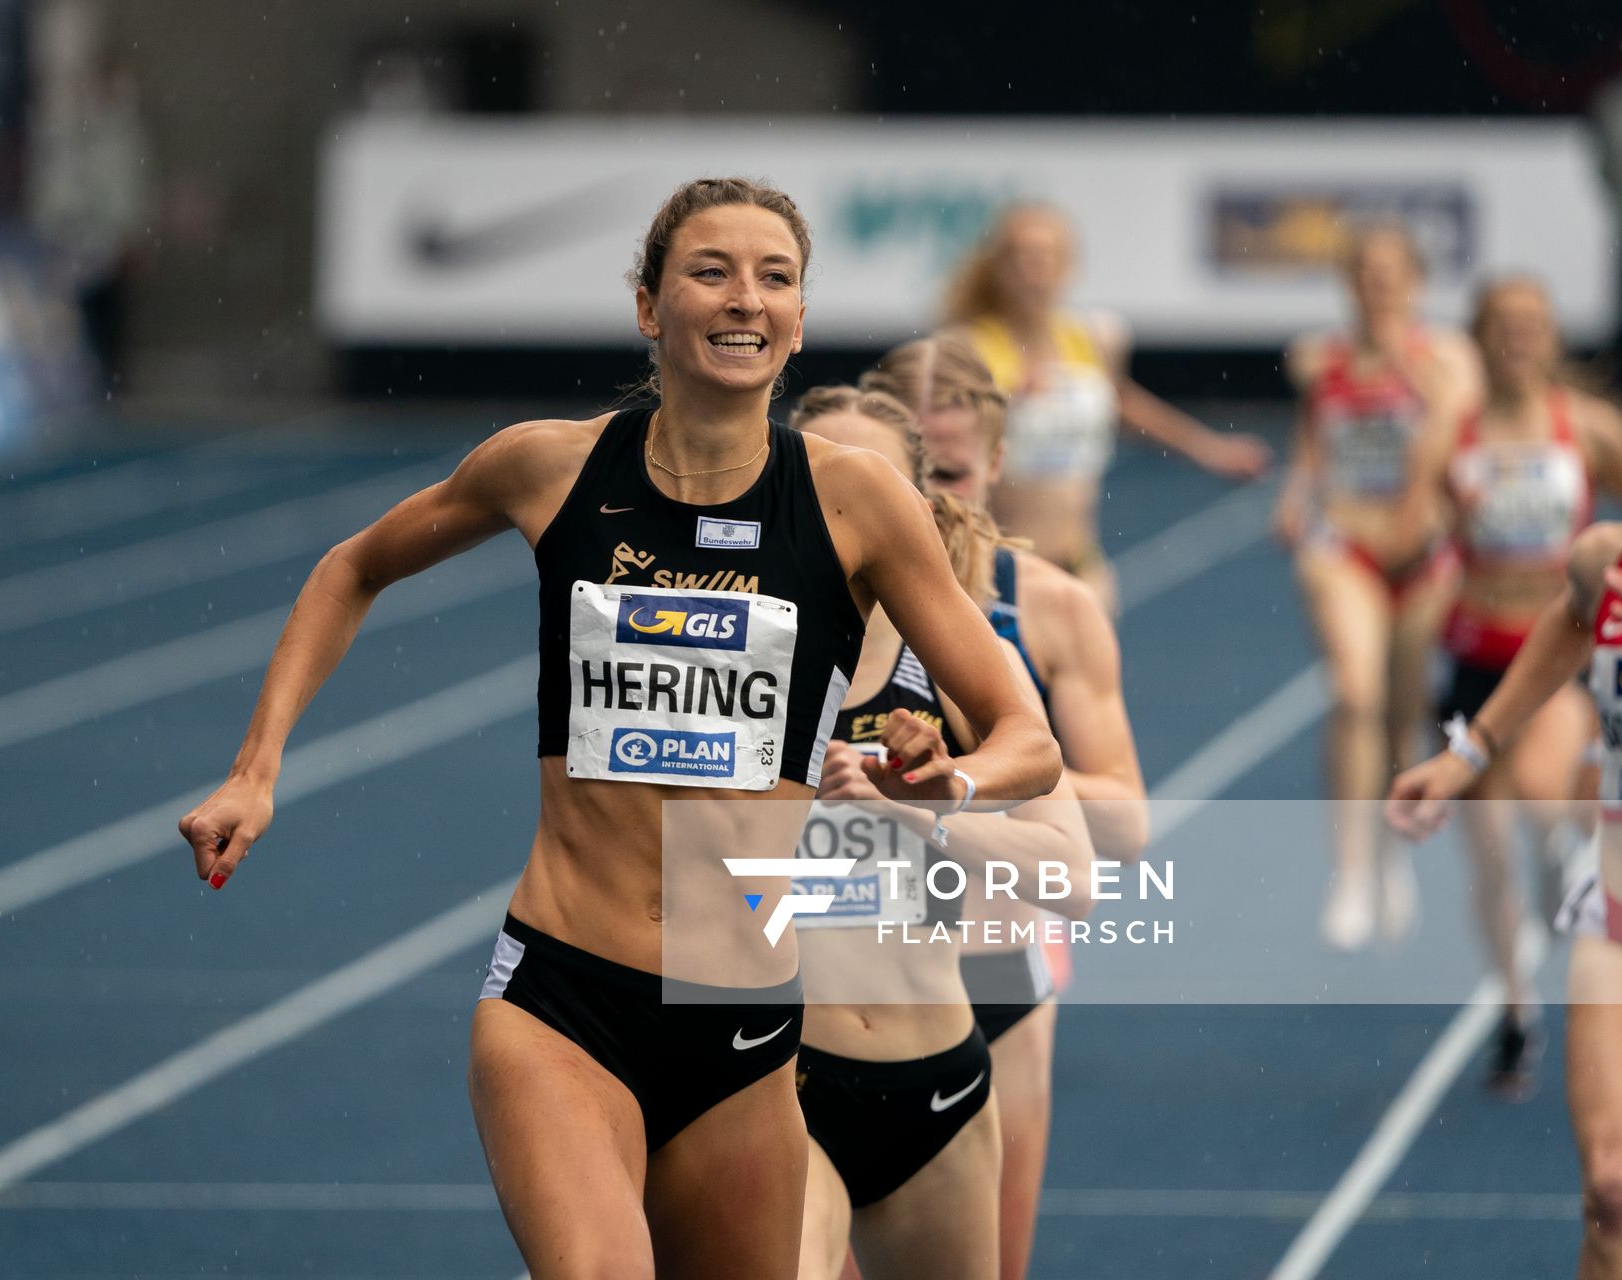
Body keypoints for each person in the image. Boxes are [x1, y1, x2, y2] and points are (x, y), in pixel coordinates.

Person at [176, 177, 1061, 1279]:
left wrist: (950, 784)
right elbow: (354, 565)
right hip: (563, 993)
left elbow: (1028, 735)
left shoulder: (855, 502)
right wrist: (255, 770)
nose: (746, 297)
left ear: (799, 317)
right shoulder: (551, 467)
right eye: (711, 270)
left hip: (740, 1021)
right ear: (649, 306)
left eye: (775, 277)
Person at [789, 386, 1094, 1280]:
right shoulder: (734, 658)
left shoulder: (968, 665)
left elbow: (1072, 874)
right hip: (773, 1083)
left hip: (939, 1089)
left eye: (869, 479)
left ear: (916, 510)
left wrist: (925, 810)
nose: (844, 504)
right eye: (817, 479)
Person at [861, 331, 1149, 1280]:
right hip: (848, 970)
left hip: (995, 970)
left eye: (952, 471)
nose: (937, 499)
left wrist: (988, 780)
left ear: (993, 461)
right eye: (914, 477)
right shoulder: (831, 602)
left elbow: (1126, 821)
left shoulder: (1050, 608)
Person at [1388, 522, 1622, 1278]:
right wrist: (1471, 751)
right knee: (1613, 1196)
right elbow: (1571, 616)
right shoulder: (1606, 560)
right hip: (1616, 909)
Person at [1427, 276, 1622, 1094]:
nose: (1517, 338)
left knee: (1546, 805)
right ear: (1478, 336)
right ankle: (1515, 1011)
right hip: (1474, 653)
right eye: (1501, 325)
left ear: (1551, 339)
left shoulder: (1585, 426)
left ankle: (1572, 878)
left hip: (1560, 654)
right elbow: (1404, 525)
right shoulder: (1452, 430)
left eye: (1531, 326)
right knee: (1488, 856)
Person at [1274, 221, 1481, 952]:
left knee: (1403, 713)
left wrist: (1403, 357)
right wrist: (1295, 494)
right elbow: (1314, 439)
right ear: (1348, 280)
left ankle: (1395, 859)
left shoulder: (1446, 355)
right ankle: (1350, 870)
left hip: (1424, 551)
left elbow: (1459, 428)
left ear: (1416, 281)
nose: (1378, 284)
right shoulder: (1319, 357)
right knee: (1356, 696)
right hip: (1346, 546)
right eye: (1365, 271)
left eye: (1392, 272)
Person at [942, 202, 1271, 612]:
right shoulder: (971, 346)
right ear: (999, 268)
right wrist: (1005, 403)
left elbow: (1123, 405)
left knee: (1099, 677)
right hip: (1000, 565)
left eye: (1046, 256)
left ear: (1068, 267)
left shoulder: (1091, 339)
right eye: (1021, 256)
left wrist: (1212, 451)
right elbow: (940, 442)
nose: (1034, 269)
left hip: (1081, 563)